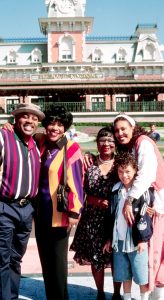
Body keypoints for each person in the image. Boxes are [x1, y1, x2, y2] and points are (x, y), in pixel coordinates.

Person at [0, 103, 45, 300]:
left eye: (34, 118)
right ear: (16, 118)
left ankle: (10, 297)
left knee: (14, 259)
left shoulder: (35, 144)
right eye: (25, 116)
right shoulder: (0, 137)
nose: (30, 121)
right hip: (0, 206)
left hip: (25, 209)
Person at [34, 104, 84, 300]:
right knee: (45, 261)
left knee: (57, 262)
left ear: (65, 127)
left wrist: (74, 211)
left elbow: (77, 183)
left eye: (59, 124)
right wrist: (8, 126)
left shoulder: (71, 148)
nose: (54, 128)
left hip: (60, 214)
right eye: (51, 123)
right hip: (41, 213)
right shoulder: (43, 143)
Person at [113, 113, 164, 300]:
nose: (120, 133)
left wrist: (130, 200)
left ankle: (154, 297)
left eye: (123, 128)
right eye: (116, 130)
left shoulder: (142, 142)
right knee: (154, 256)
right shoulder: (135, 146)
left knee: (155, 256)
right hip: (152, 205)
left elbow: (146, 175)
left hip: (157, 206)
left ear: (133, 128)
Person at [70, 126, 121, 300]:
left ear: (115, 144)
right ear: (97, 144)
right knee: (96, 257)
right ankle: (100, 292)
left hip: (116, 219)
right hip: (93, 219)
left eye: (110, 141)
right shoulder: (89, 163)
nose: (106, 144)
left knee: (117, 258)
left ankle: (116, 293)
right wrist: (95, 201)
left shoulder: (121, 163)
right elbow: (77, 189)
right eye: (102, 140)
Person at [106, 152, 154, 300]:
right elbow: (111, 216)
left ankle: (144, 298)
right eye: (120, 171)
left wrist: (142, 239)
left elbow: (144, 217)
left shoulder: (142, 191)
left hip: (136, 241)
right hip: (119, 240)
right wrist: (109, 238)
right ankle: (126, 297)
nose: (124, 175)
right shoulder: (115, 190)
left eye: (128, 171)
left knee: (141, 274)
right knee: (123, 274)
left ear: (135, 171)